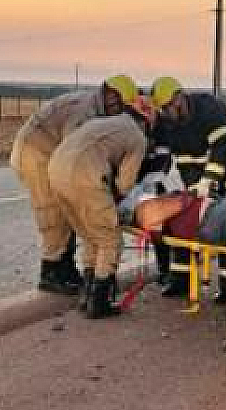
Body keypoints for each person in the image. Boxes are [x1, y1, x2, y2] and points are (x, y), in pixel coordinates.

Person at [10, 75, 139, 295]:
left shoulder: (97, 109)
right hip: (37, 152)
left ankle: (65, 270)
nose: (118, 111)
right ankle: (52, 272)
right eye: (118, 105)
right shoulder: (85, 110)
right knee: (53, 213)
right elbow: (76, 151)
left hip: (49, 152)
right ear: (110, 94)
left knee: (69, 210)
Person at [149, 76, 226, 302]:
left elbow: (222, 148)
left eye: (168, 107)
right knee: (182, 225)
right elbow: (161, 153)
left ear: (179, 98)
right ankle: (180, 281)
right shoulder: (166, 122)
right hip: (196, 184)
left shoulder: (210, 109)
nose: (166, 113)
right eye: (162, 109)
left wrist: (209, 181)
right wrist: (154, 181)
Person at [47, 102, 150, 318]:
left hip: (56, 170)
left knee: (90, 236)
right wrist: (116, 201)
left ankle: (87, 295)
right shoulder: (137, 137)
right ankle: (99, 303)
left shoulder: (105, 123)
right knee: (110, 239)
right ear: (147, 121)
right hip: (85, 176)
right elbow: (125, 184)